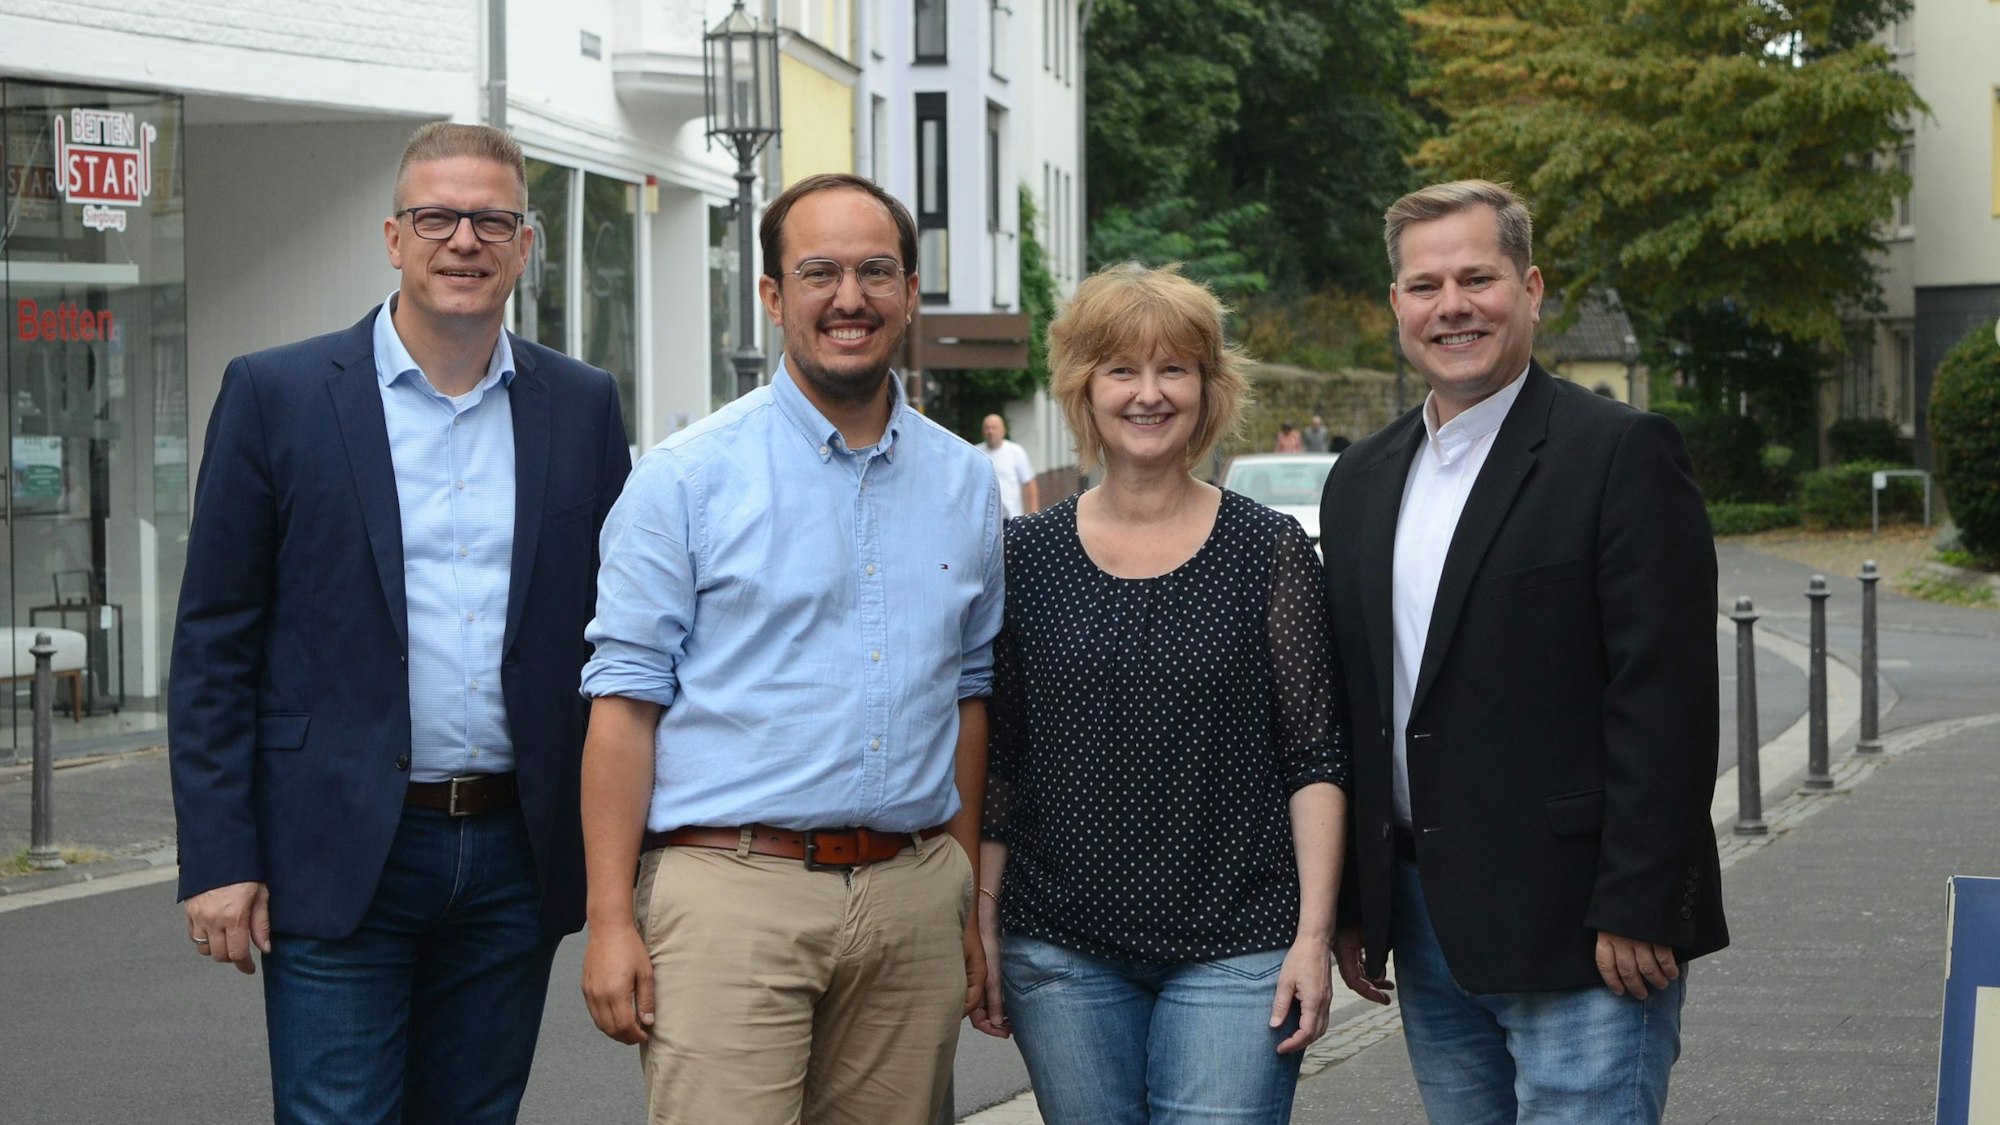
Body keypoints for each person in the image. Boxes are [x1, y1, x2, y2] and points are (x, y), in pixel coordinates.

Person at [169, 122, 632, 1123]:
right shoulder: (276, 395)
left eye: (489, 220)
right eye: (436, 217)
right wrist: (218, 858)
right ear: (392, 236)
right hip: (332, 846)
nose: (462, 240)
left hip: (515, 852)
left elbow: (619, 634)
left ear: (524, 242)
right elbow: (214, 645)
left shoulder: (583, 406)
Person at [577, 172, 1003, 1125]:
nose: (849, 298)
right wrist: (610, 918)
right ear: (773, 296)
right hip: (733, 892)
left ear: (908, 291)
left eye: (874, 271)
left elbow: (969, 696)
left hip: (911, 894)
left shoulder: (967, 483)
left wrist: (964, 899)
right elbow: (623, 706)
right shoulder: (683, 480)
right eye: (818, 272)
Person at [1318, 179, 1725, 1122]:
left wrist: (1641, 899)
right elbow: (1359, 702)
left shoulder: (1621, 453)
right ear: (1397, 306)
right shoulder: (1362, 478)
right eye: (1425, 286)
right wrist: (1356, 902)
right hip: (1423, 922)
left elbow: (1664, 696)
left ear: (1531, 288)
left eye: (1477, 277)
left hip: (1584, 923)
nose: (1451, 306)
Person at [976, 262, 1350, 1124]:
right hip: (1062, 952)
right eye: (1122, 370)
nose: (1149, 393)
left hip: (1241, 943)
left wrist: (1314, 935)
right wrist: (985, 926)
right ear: (1084, 387)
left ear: (1208, 387)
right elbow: (1000, 760)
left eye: (1173, 369)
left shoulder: (1269, 548)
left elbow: (1315, 756)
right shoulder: (1024, 554)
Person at [982, 412, 1041, 518]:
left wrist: (1033, 514)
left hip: (1011, 516)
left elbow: (1029, 483)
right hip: (985, 517)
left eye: (994, 428)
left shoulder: (1015, 452)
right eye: (987, 428)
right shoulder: (978, 453)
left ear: (1003, 430)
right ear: (983, 431)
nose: (991, 432)